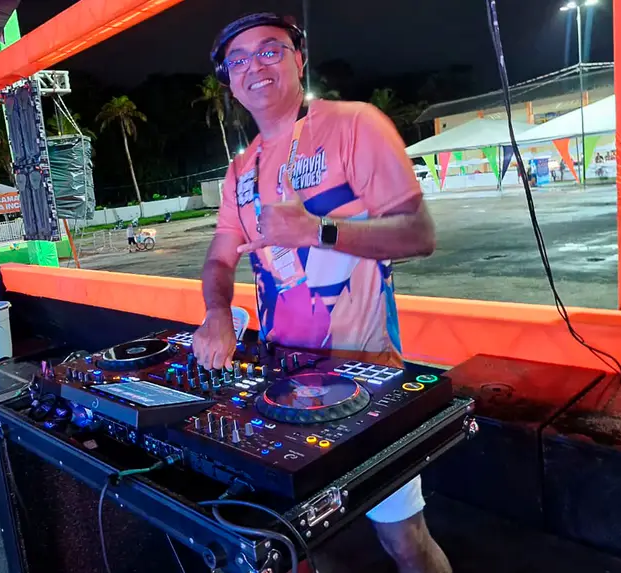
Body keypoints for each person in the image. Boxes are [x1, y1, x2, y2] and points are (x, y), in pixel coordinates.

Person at [192, 14, 449, 573]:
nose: (254, 66)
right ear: (230, 82)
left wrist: (318, 230)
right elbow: (219, 257)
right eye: (238, 60)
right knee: (308, 544)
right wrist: (216, 311)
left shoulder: (356, 125)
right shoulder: (239, 172)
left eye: (270, 50)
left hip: (367, 379)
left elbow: (419, 234)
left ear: (298, 59)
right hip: (283, 384)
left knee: (405, 541)